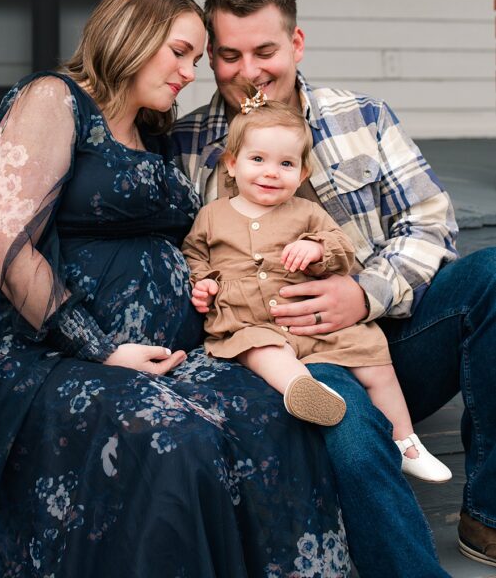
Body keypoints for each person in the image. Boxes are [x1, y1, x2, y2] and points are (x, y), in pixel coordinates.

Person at [0, 0, 351, 578]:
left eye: (196, 59)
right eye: (180, 52)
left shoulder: (155, 131)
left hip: (169, 351)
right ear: (131, 33)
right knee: (178, 446)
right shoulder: (53, 99)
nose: (189, 73)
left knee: (271, 417)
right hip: (52, 353)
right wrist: (101, 348)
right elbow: (3, 245)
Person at [171, 0, 496, 578]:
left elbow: (431, 222)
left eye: (265, 51)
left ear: (295, 43)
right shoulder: (187, 146)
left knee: (494, 277)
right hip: (294, 352)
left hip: (391, 331)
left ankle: (489, 516)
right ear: (212, 58)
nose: (250, 72)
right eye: (230, 56)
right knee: (344, 422)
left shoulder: (362, 116)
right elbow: (185, 256)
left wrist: (364, 293)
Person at [182, 97, 451, 483]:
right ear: (231, 163)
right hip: (248, 318)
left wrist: (317, 249)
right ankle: (303, 391)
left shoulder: (306, 212)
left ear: (303, 172)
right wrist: (203, 282)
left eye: (286, 164)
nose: (271, 173)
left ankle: (406, 441)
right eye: (257, 159)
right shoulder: (212, 215)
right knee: (259, 349)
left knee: (374, 357)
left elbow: (342, 250)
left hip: (318, 322)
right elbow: (194, 253)